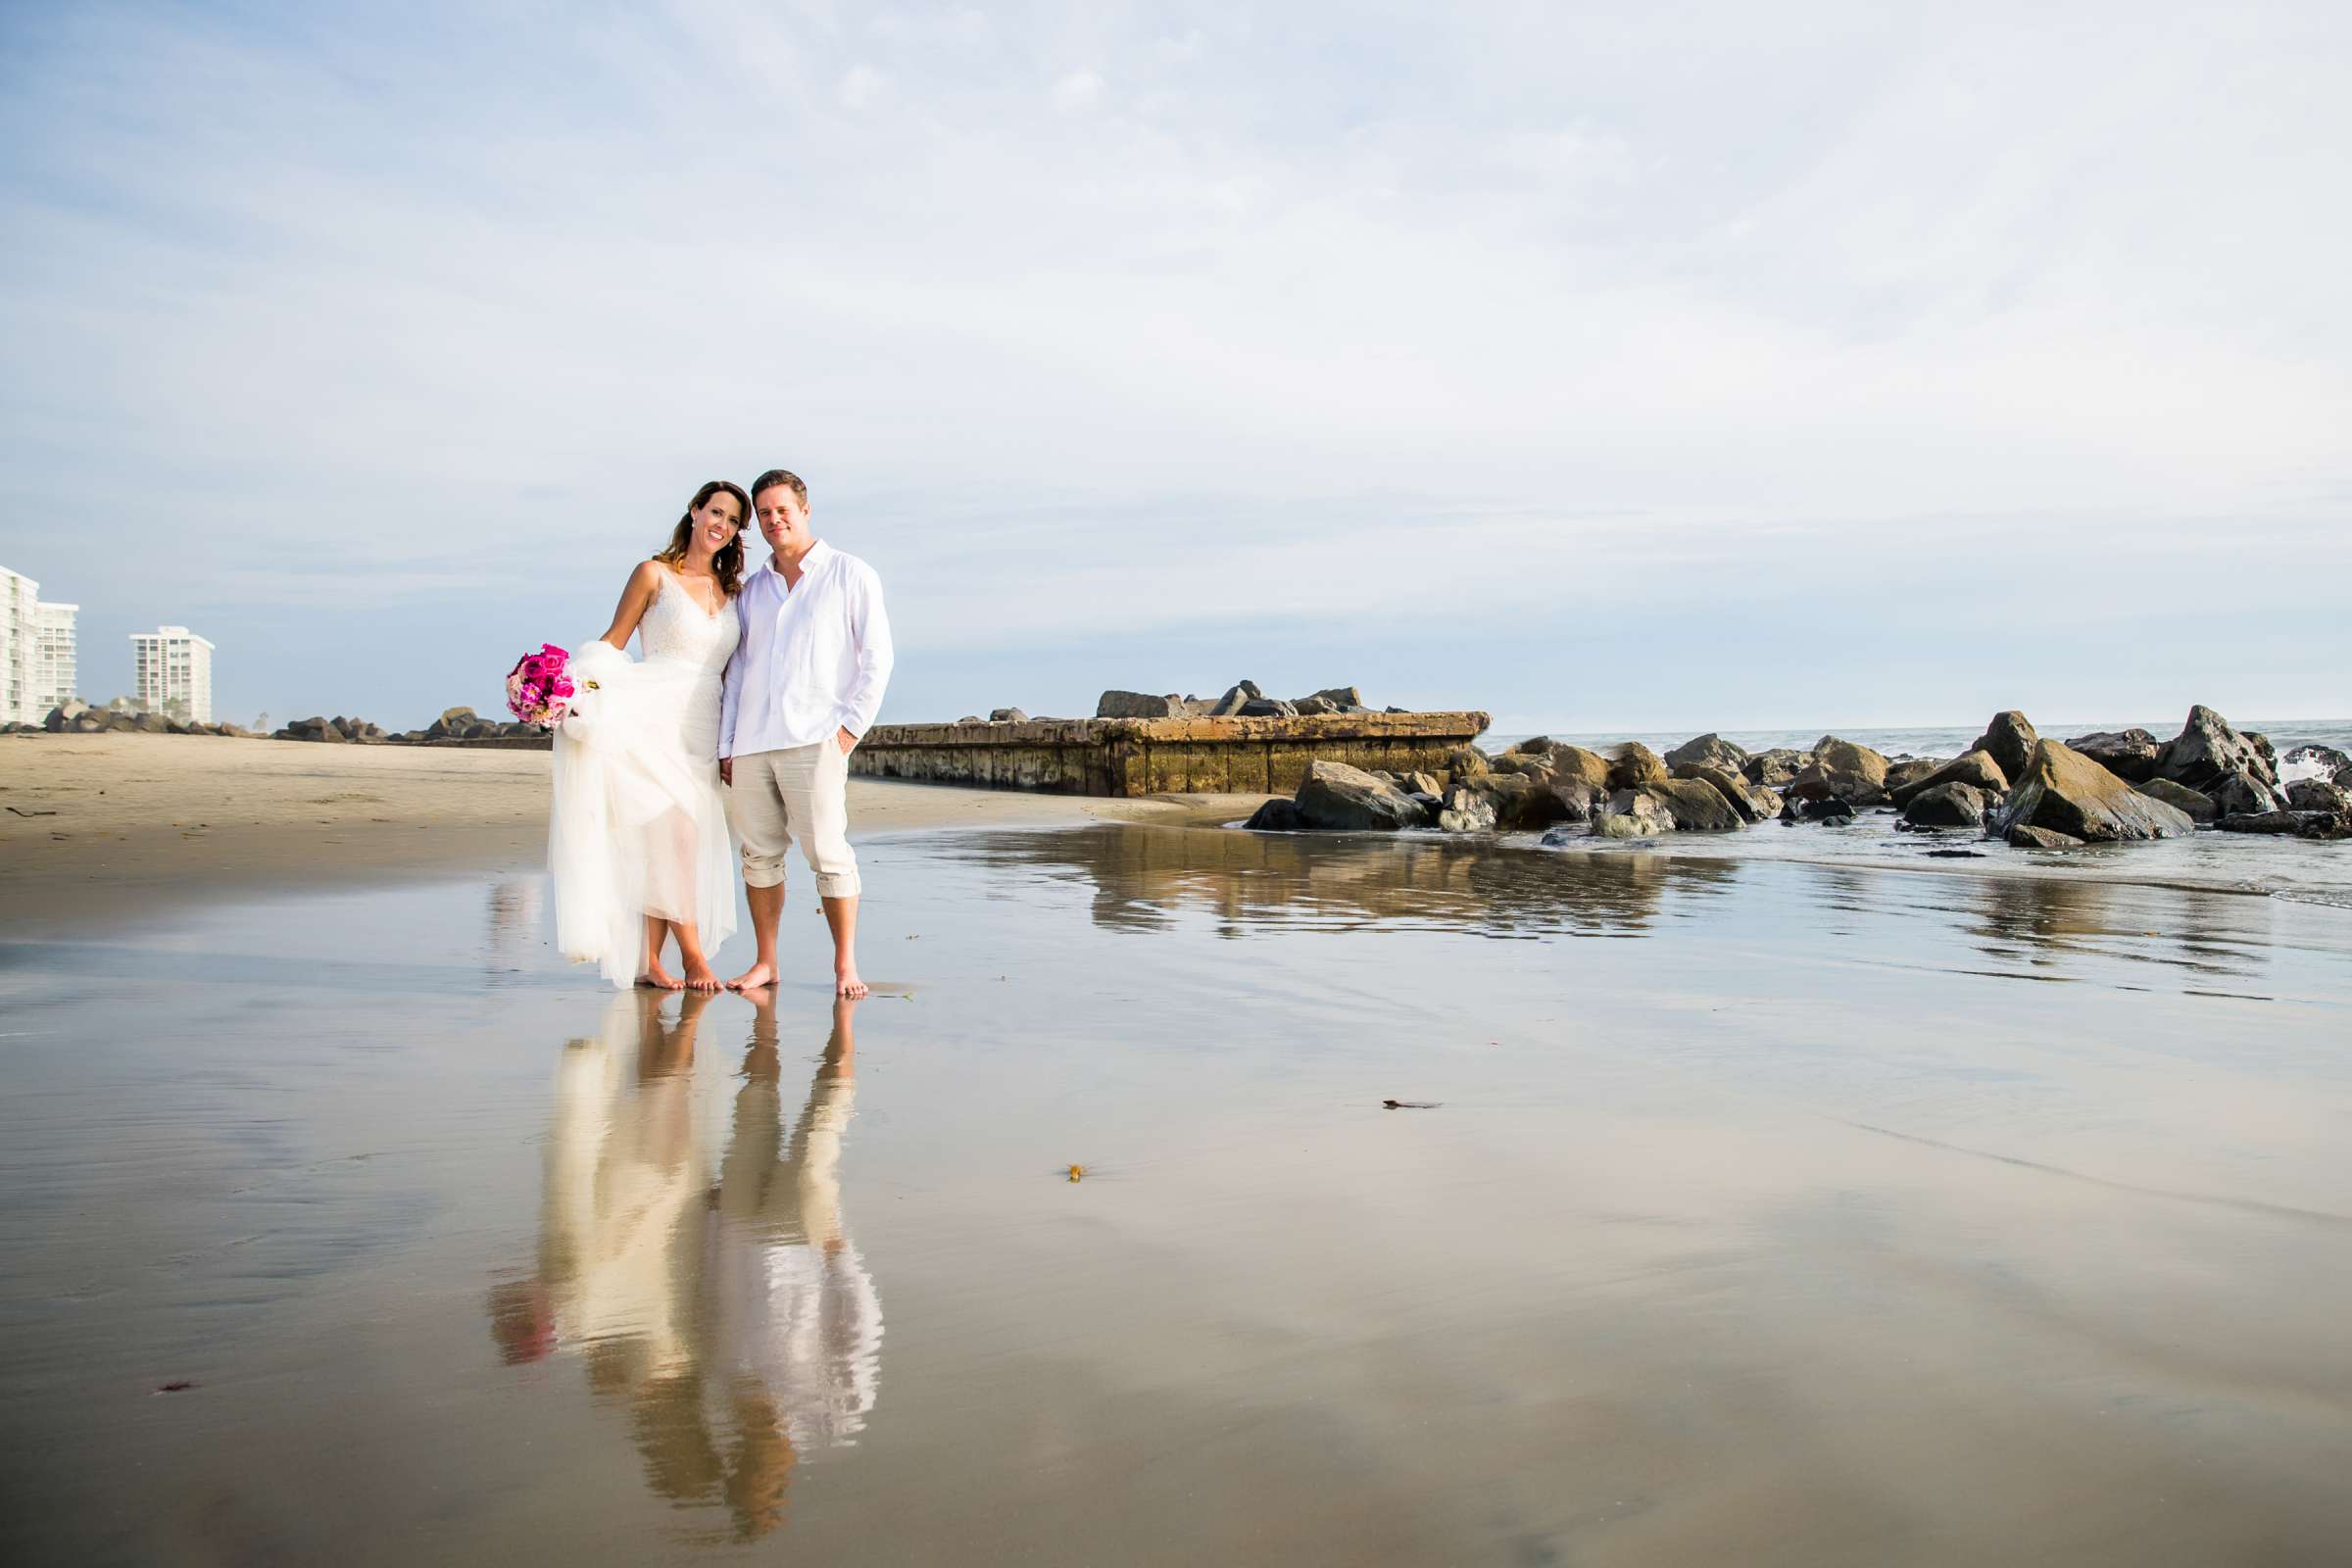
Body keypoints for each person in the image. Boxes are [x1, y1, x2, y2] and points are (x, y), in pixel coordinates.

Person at [548, 480, 748, 989]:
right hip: (650, 713)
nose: (721, 525)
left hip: (703, 724)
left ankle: (649, 961)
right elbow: (613, 643)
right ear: (695, 511)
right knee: (679, 837)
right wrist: (562, 689)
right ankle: (693, 956)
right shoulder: (652, 573)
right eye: (715, 512)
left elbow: (734, 671)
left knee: (670, 840)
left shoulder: (733, 590)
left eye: (732, 520)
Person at [718, 468, 894, 998]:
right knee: (759, 854)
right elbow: (738, 671)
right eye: (765, 513)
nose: (774, 521)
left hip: (815, 739)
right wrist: (727, 745)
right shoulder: (752, 592)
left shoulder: (849, 573)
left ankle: (845, 966)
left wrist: (849, 731)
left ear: (805, 509)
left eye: (782, 510)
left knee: (829, 854)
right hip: (751, 742)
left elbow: (877, 659)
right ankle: (765, 962)